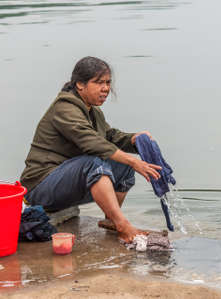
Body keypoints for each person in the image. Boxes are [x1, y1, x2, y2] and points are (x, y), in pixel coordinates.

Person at [20, 56, 161, 243]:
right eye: (99, 82)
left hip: (66, 183)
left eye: (108, 82)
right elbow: (92, 143)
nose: (105, 88)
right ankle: (123, 226)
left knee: (123, 167)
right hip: (41, 186)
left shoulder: (92, 110)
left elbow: (109, 136)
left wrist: (134, 139)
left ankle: (111, 220)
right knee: (94, 164)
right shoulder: (65, 108)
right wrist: (134, 161)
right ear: (80, 84)